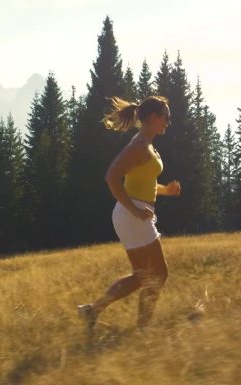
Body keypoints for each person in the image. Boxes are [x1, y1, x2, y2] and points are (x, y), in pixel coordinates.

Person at [77, 95, 181, 333]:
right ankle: (142, 331)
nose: (168, 121)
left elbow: (144, 182)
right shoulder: (139, 146)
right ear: (153, 117)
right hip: (132, 215)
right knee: (159, 274)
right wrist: (135, 210)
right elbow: (111, 177)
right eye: (166, 116)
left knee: (142, 276)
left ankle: (92, 311)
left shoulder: (147, 145)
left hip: (130, 214)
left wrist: (166, 190)